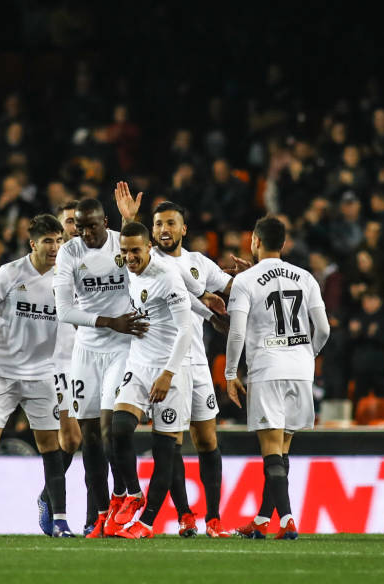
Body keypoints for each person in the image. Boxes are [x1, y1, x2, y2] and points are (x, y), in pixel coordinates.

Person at [0, 214, 74, 538]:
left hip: (43, 373)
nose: (55, 247)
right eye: (48, 241)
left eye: (59, 240)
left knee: (51, 445)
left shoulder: (66, 278)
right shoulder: (9, 273)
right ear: (33, 243)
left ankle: (60, 519)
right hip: (1, 370)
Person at [48, 187, 150, 538]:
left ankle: (126, 497)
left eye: (91, 226)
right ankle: (101, 513)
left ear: (105, 222)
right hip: (86, 351)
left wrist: (132, 222)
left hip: (123, 347)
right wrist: (109, 321)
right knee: (89, 436)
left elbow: (149, 269)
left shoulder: (121, 245)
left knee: (111, 429)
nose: (84, 233)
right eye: (79, 227)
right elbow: (64, 311)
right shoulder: (69, 254)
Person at [226, 216, 330, 540]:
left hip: (267, 369)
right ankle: (261, 520)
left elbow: (237, 332)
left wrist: (231, 373)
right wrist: (307, 354)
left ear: (254, 241)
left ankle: (286, 520)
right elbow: (324, 329)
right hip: (301, 370)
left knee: (270, 450)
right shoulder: (306, 277)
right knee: (281, 451)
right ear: (283, 244)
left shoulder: (245, 281)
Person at [151, 201, 234, 538]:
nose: (164, 230)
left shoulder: (199, 262)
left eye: (171, 223)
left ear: (184, 228)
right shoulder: (149, 262)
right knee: (172, 441)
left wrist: (255, 273)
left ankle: (213, 518)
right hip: (164, 361)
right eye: (158, 225)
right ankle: (185, 514)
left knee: (206, 439)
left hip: (197, 360)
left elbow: (232, 288)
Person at [109, 221, 195, 539]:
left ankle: (145, 523)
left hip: (169, 371)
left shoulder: (166, 277)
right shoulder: (128, 265)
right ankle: (133, 493)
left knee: (165, 452)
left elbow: (186, 330)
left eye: (135, 250)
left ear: (149, 248)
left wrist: (168, 374)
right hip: (138, 364)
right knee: (118, 429)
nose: (129, 257)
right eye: (125, 251)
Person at [36, 201, 82, 535]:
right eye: (68, 221)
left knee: (78, 439)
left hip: (88, 358)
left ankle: (50, 497)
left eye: (78, 222)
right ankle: (50, 502)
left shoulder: (90, 262)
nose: (74, 227)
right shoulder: (50, 266)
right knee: (72, 435)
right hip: (58, 362)